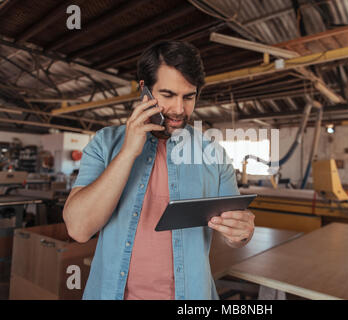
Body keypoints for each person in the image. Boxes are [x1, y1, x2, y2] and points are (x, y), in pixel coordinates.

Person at [62, 41, 255, 300]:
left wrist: (240, 234)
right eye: (167, 95)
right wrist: (128, 152)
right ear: (144, 90)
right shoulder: (105, 144)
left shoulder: (213, 154)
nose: (179, 109)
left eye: (189, 97)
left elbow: (232, 234)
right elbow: (78, 229)